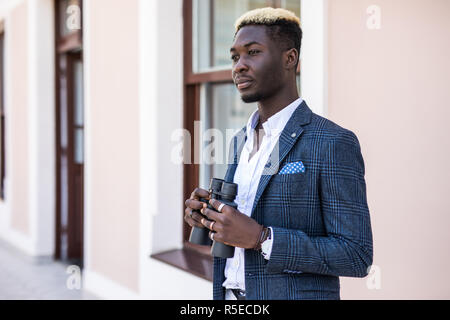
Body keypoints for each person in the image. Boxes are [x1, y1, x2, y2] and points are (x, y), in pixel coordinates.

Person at [184, 7, 373, 300]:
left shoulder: (332, 142)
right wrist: (210, 219)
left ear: (290, 59)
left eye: (253, 52)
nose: (239, 66)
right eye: (235, 57)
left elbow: (356, 255)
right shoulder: (239, 140)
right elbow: (238, 228)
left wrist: (262, 238)